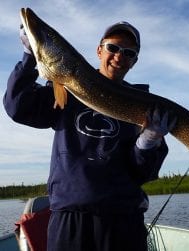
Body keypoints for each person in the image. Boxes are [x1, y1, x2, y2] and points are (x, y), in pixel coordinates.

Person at [4, 21, 174, 251]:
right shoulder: (66, 89)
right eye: (113, 48)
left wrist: (148, 141)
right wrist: (29, 57)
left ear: (134, 61)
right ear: (99, 50)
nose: (119, 56)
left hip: (123, 222)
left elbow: (144, 172)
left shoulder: (146, 107)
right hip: (70, 219)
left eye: (129, 52)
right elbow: (18, 107)